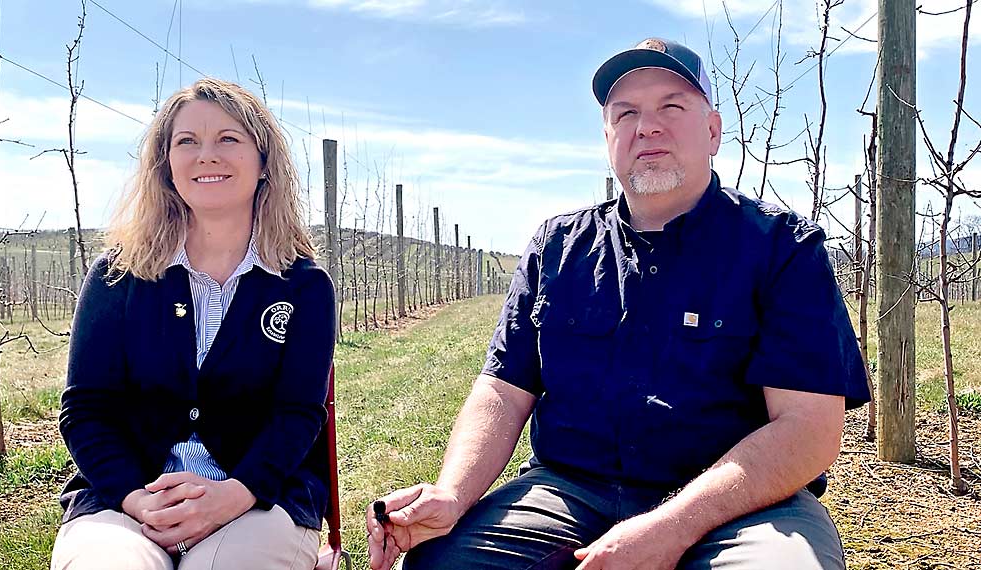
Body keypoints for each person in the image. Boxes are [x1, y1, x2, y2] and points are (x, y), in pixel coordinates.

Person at [366, 38, 870, 570]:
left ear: (714, 130)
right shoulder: (557, 247)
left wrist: (670, 527)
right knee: (443, 562)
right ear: (608, 137)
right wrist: (452, 492)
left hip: (741, 506)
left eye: (671, 107)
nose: (646, 126)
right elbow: (502, 390)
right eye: (625, 113)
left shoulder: (783, 249)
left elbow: (808, 428)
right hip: (568, 490)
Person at [51, 78, 335, 570]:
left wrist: (234, 494)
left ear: (264, 161)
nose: (207, 155)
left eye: (228, 139)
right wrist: (137, 499)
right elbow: (86, 409)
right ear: (166, 165)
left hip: (261, 499)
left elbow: (298, 415)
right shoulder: (118, 276)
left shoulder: (304, 286)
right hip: (127, 499)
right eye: (187, 141)